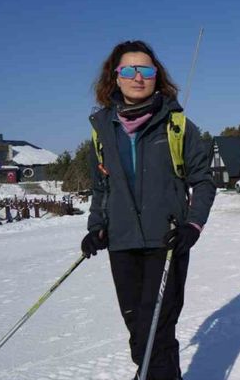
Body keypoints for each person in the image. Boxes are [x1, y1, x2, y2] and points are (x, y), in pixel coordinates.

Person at [81, 40, 216, 380]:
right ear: (115, 76)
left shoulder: (177, 126)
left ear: (157, 76)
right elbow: (102, 186)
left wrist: (193, 225)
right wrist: (96, 226)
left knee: (158, 326)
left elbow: (203, 181)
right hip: (122, 243)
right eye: (129, 70)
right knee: (140, 332)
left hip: (166, 241)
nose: (137, 77)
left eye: (146, 70)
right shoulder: (103, 130)